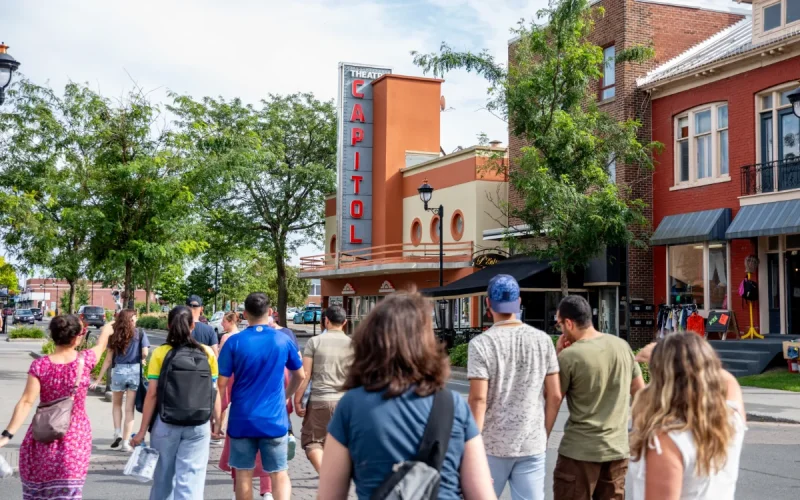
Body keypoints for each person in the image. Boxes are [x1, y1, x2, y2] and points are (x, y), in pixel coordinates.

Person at [317, 291, 496, 500]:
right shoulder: (453, 405)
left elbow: (329, 495)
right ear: (426, 342)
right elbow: (483, 495)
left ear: (370, 341)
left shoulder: (352, 405)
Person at [467, 275, 561, 500]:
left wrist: (471, 445)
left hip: (491, 445)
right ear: (518, 302)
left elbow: (478, 400)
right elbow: (555, 395)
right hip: (531, 443)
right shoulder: (542, 340)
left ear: (488, 304)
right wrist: (543, 434)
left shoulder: (481, 344)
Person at [0, 315, 112, 499]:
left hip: (42, 436)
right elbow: (101, 345)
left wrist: (7, 435)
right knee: (69, 492)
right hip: (75, 438)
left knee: (39, 493)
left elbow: (26, 401)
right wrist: (106, 330)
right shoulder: (85, 361)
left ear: (53, 336)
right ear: (76, 338)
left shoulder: (40, 365)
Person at [629, 334, 746, 500]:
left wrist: (663, 355)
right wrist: (696, 360)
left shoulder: (667, 440)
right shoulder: (731, 421)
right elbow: (728, 381)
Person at [553, 295, 646, 500]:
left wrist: (558, 354)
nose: (560, 330)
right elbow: (641, 392)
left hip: (579, 452)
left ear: (569, 323)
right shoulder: (622, 346)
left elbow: (553, 397)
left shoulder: (569, 356)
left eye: (559, 324)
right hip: (617, 450)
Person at [218, 292, 305, 500]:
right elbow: (300, 375)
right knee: (279, 473)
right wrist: (286, 396)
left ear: (245, 314)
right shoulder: (282, 340)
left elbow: (221, 384)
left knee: (243, 474)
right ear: (270, 312)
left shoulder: (234, 342)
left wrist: (217, 418)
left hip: (242, 419)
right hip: (274, 419)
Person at [131, 306, 222, 500]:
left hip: (166, 422)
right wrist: (217, 423)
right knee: (192, 480)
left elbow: (152, 394)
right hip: (198, 424)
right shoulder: (207, 352)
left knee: (163, 480)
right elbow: (214, 391)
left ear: (168, 325)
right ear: (192, 326)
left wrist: (142, 430)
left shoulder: (160, 353)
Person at [293, 305, 353, 473]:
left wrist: (297, 400)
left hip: (319, 400)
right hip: (345, 402)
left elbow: (305, 375)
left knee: (313, 442)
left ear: (326, 321)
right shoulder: (353, 344)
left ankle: (326, 475)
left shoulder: (315, 342)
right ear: (345, 322)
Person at [91, 309, 150, 452]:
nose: (136, 320)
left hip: (119, 371)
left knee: (116, 405)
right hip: (134, 371)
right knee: (129, 409)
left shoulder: (115, 335)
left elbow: (108, 359)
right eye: (135, 317)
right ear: (131, 319)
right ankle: (125, 443)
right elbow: (145, 353)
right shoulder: (140, 333)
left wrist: (98, 379)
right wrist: (141, 359)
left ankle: (117, 432)